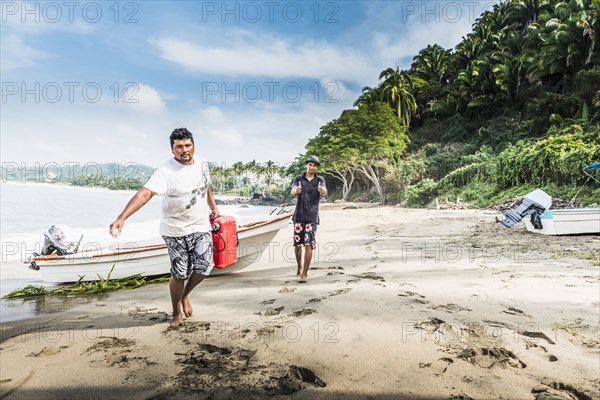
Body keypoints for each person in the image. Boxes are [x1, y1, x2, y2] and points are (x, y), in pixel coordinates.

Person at [109, 128, 219, 327]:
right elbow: (145, 194)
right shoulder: (165, 172)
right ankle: (176, 312)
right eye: (179, 147)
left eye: (187, 145)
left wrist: (213, 207)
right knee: (180, 273)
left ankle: (184, 296)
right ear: (172, 149)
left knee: (204, 266)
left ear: (193, 146)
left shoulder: (202, 163)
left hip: (200, 225)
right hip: (175, 230)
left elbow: (207, 186)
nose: (184, 150)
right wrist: (122, 217)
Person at [290, 155, 327, 283]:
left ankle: (305, 273)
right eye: (310, 164)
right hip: (299, 216)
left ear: (317, 167)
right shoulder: (299, 178)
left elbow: (325, 191)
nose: (312, 167)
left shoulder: (320, 180)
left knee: (308, 244)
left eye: (314, 165)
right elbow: (293, 190)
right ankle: (299, 266)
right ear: (307, 165)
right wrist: (296, 191)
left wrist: (322, 190)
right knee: (297, 244)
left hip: (312, 216)